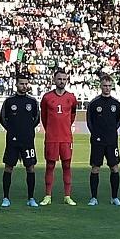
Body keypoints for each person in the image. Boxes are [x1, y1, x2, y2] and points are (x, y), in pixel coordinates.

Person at [0, 73, 41, 208]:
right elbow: (3, 119)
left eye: (26, 84)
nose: (24, 86)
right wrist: (13, 131)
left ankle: (31, 198)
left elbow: (36, 119)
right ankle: (6, 198)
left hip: (28, 141)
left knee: (30, 168)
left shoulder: (32, 102)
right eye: (21, 84)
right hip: (12, 140)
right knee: (9, 167)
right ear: (16, 84)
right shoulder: (9, 101)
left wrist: (27, 131)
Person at [39, 68, 78, 205]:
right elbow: (44, 117)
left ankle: (67, 196)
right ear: (54, 80)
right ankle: (47, 196)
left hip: (66, 138)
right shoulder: (47, 98)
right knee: (50, 166)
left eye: (64, 79)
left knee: (67, 166)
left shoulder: (71, 98)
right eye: (59, 79)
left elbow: (72, 115)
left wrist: (65, 127)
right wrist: (50, 130)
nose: (62, 81)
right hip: (52, 138)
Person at [85, 76, 120, 207]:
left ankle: (115, 197)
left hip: (112, 141)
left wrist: (111, 133)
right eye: (104, 86)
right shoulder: (94, 103)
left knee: (114, 167)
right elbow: (90, 122)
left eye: (109, 86)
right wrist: (96, 135)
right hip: (97, 141)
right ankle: (94, 197)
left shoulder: (116, 104)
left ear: (112, 87)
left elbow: (118, 121)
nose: (107, 88)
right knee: (95, 168)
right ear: (100, 86)